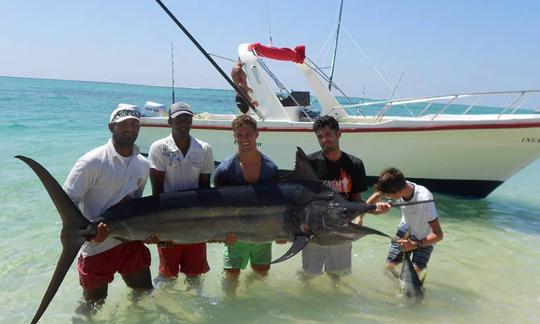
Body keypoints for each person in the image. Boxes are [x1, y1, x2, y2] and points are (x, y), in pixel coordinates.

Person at [63, 103, 153, 308]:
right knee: (93, 307)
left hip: (129, 243)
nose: (130, 128)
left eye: (134, 124)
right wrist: (90, 233)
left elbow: (135, 205)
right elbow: (70, 202)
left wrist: (149, 232)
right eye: (123, 124)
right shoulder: (92, 161)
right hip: (97, 247)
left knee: (144, 296)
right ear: (111, 127)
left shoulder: (143, 164)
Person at [301, 115, 379, 284]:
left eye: (328, 134)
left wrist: (363, 214)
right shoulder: (309, 162)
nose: (324, 140)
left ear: (339, 134)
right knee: (309, 273)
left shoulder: (355, 164)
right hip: (314, 230)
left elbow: (356, 199)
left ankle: (334, 298)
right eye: (320, 136)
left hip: (341, 230)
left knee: (336, 274)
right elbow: (301, 200)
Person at [147, 102, 215, 288]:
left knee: (195, 274)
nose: (183, 123)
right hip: (169, 220)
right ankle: (163, 309)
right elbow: (157, 191)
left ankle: (197, 311)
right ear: (170, 121)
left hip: (196, 220)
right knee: (167, 275)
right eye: (178, 119)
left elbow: (205, 189)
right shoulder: (159, 148)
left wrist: (207, 226)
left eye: (187, 118)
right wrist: (160, 230)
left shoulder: (204, 148)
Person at [213, 114, 283, 294]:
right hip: (235, 236)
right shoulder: (225, 170)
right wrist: (222, 234)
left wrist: (281, 230)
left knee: (260, 278)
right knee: (230, 280)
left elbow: (276, 204)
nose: (244, 139)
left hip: (263, 235)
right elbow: (217, 208)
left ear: (257, 135)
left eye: (248, 134)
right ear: (234, 136)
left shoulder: (270, 168)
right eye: (240, 135)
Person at [368, 167, 443, 277]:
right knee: (389, 268)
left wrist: (415, 244)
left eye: (389, 195)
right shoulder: (398, 184)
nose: (388, 197)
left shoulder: (424, 198)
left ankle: (406, 286)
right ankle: (397, 287)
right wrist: (365, 213)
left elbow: (438, 235)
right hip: (406, 229)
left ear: (399, 191)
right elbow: (377, 196)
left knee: (412, 275)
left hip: (425, 237)